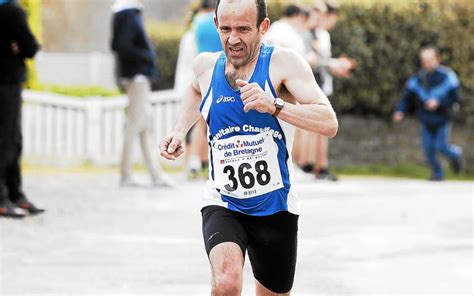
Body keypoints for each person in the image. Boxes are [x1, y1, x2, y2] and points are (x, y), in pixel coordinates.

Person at [159, 0, 338, 294]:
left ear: (262, 28)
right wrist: (180, 130)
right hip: (224, 200)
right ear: (216, 25)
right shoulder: (206, 66)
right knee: (227, 282)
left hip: (275, 205)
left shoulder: (284, 63)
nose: (233, 39)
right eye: (226, 29)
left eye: (243, 29)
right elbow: (195, 89)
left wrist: (275, 106)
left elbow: (328, 122)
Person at [111, 0, 171, 187]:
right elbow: (121, 45)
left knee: (144, 126)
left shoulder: (125, 13)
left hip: (136, 75)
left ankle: (156, 174)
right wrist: (148, 57)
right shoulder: (128, 14)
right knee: (134, 125)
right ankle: (126, 175)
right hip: (137, 76)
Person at [298, 0, 355, 181]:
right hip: (307, 85)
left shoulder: (320, 35)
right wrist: (332, 64)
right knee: (308, 127)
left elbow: (320, 60)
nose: (319, 18)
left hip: (322, 84)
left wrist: (334, 65)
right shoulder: (303, 35)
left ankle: (320, 167)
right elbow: (310, 60)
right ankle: (306, 165)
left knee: (322, 127)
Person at [0, 0, 44, 218]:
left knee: (9, 140)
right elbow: (31, 47)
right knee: (9, 141)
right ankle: (5, 197)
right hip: (8, 83)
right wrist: (20, 46)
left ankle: (14, 195)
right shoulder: (12, 10)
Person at [393, 45, 462, 181]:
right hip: (426, 119)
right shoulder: (417, 79)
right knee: (428, 149)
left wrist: (439, 103)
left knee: (441, 146)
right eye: (424, 61)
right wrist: (400, 111)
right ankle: (438, 174)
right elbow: (406, 97)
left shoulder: (448, 77)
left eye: (430, 60)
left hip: (442, 118)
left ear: (437, 59)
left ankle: (455, 154)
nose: (427, 63)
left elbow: (456, 97)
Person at [186, 0, 223, 179]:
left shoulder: (197, 23)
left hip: (201, 72)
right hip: (219, 71)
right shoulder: (220, 21)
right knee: (212, 122)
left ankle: (194, 160)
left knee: (199, 121)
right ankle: (208, 161)